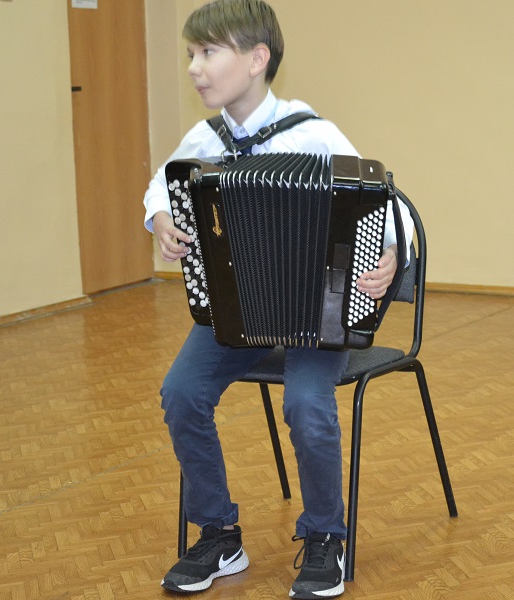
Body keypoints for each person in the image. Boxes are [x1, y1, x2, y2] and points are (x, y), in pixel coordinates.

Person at [141, 0, 412, 597]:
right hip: (237, 311)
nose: (194, 68)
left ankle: (325, 536)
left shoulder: (314, 133)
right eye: (190, 55)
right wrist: (160, 216)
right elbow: (160, 185)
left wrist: (391, 252)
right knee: (181, 392)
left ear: (257, 59)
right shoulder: (203, 139)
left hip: (318, 312)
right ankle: (219, 534)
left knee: (306, 403)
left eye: (208, 53)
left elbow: (390, 205)